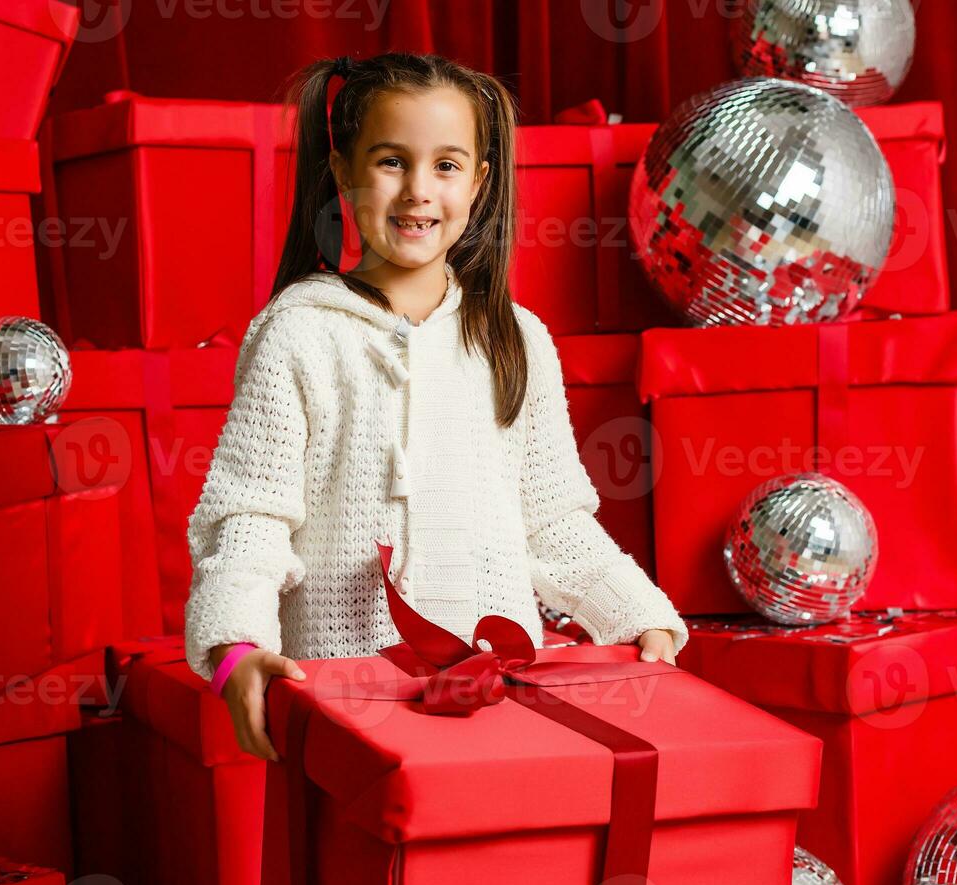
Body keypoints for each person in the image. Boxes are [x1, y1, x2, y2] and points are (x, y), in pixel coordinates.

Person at [184, 51, 688, 761]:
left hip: (504, 701)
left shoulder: (516, 339)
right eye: (391, 161)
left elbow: (552, 519)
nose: (419, 191)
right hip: (346, 698)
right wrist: (236, 648)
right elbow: (250, 515)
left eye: (446, 166)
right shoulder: (298, 332)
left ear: (480, 184)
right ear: (343, 174)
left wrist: (636, 614)